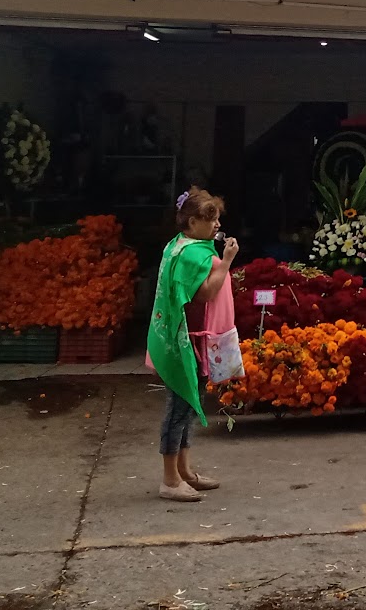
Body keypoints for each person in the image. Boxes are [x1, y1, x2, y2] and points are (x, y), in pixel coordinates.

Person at [148, 186, 238, 502]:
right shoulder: (190, 254)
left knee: (187, 406)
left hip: (190, 339)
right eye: (209, 219)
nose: (216, 225)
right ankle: (170, 479)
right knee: (178, 409)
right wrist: (226, 261)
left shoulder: (181, 247)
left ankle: (184, 472)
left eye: (216, 219)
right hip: (186, 342)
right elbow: (206, 293)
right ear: (191, 222)